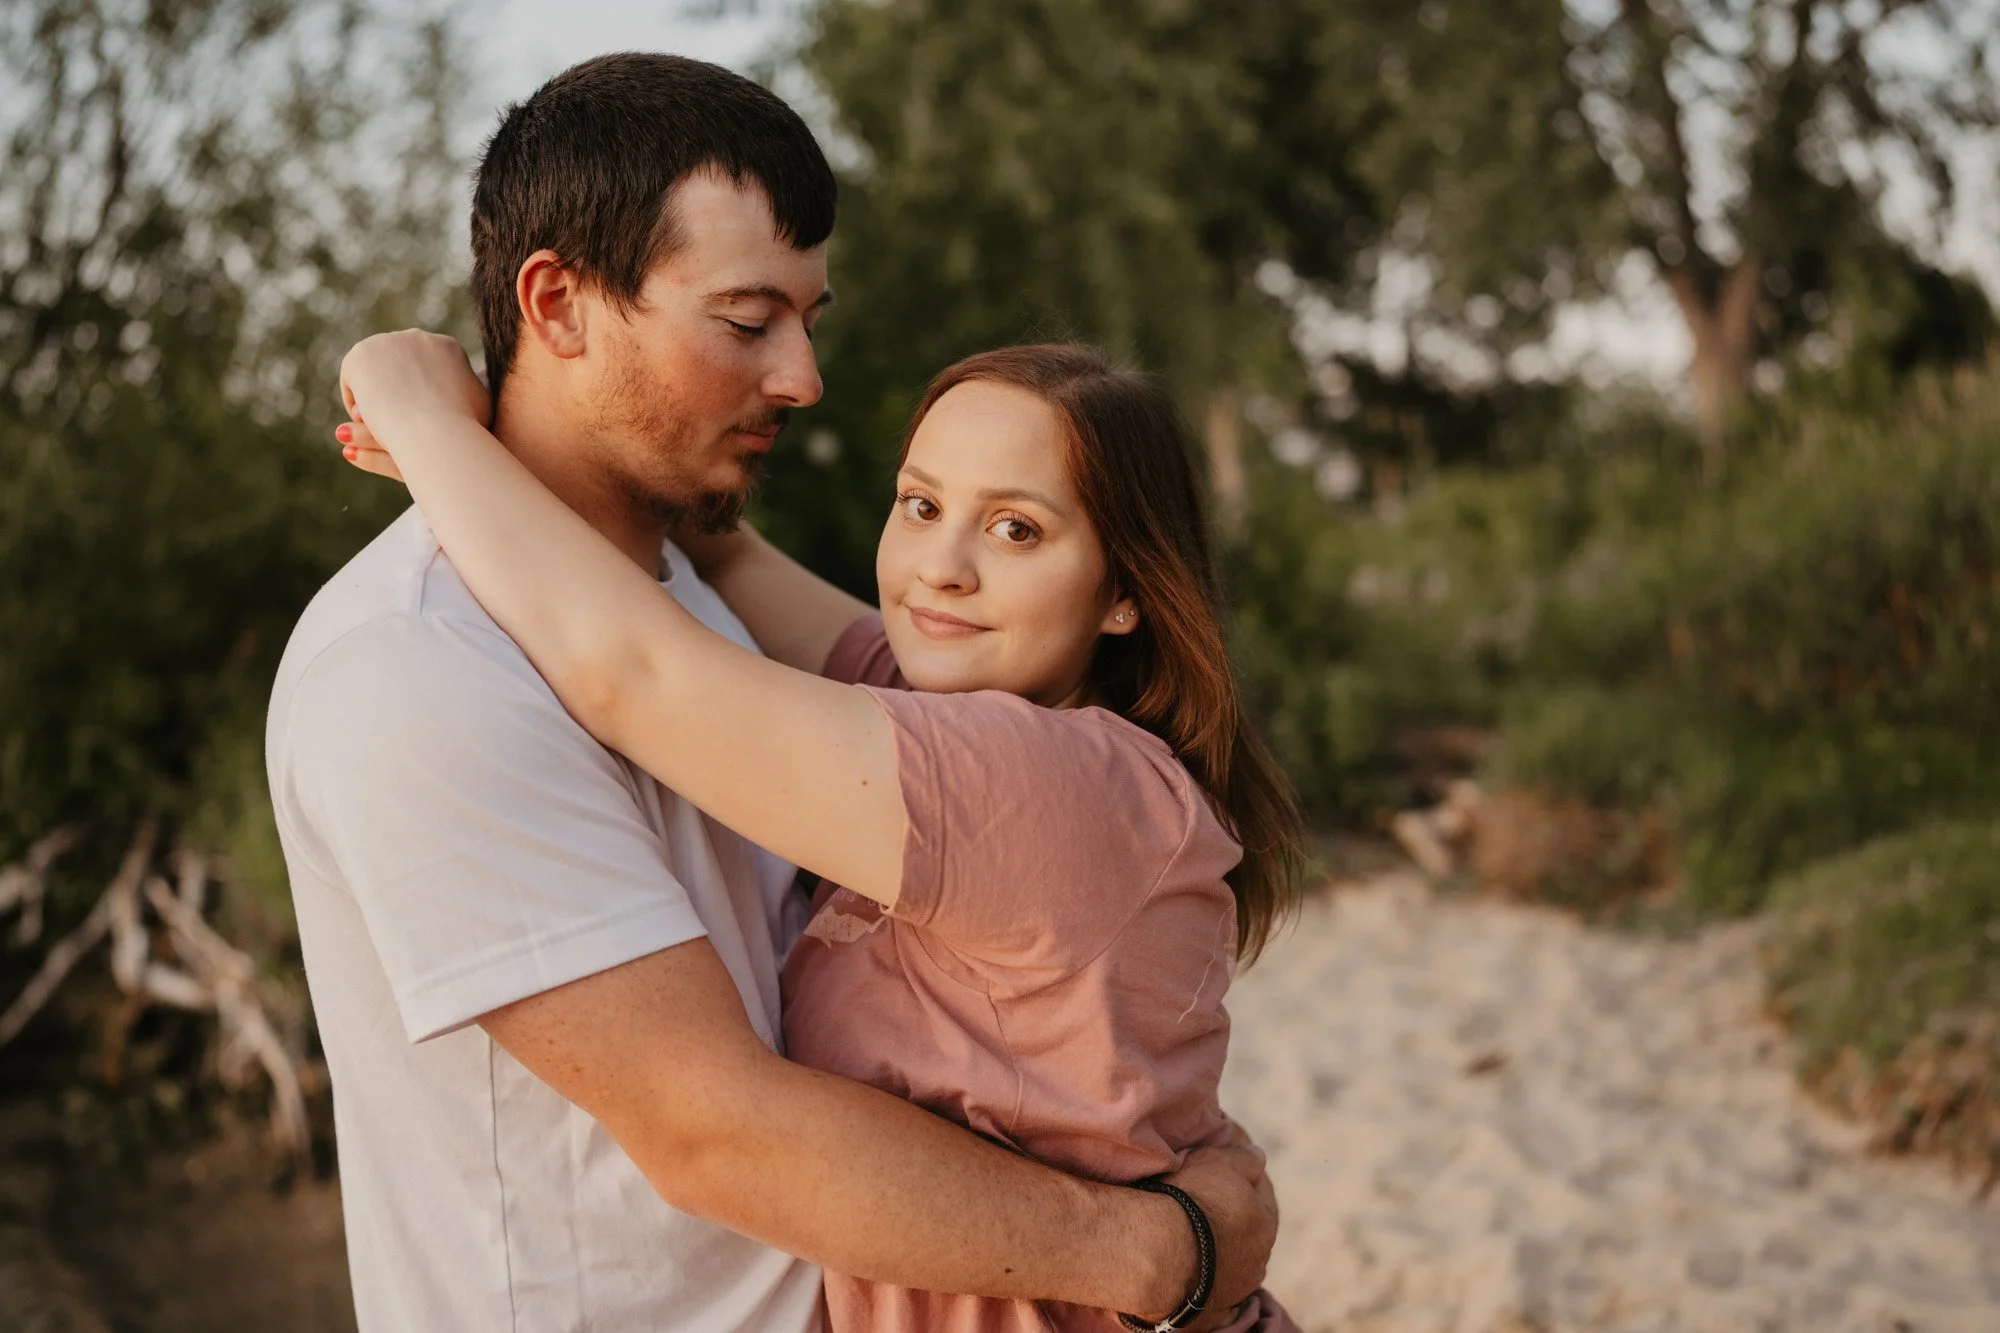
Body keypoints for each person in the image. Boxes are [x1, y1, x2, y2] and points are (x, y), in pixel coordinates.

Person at [265, 52, 1275, 1333]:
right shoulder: (415, 671)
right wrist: (1163, 1249)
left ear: (1124, 587)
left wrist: (437, 425)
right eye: (748, 322)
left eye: (809, 318)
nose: (801, 377)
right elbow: (713, 1130)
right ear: (557, 303)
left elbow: (637, 660)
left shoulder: (703, 607)